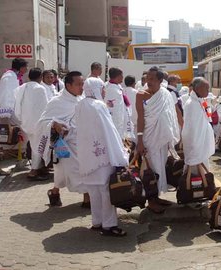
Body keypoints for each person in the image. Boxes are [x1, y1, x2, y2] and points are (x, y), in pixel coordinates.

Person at [75, 94, 129, 237]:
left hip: (88, 157)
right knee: (106, 192)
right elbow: (110, 131)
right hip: (103, 156)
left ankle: (97, 222)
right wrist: (120, 155)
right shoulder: (99, 105)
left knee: (94, 191)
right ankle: (109, 225)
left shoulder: (79, 105)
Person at [35, 71, 86, 207]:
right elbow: (42, 122)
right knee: (75, 170)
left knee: (77, 171)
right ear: (68, 85)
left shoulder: (83, 100)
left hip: (82, 143)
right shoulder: (56, 101)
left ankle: (54, 191)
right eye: (78, 84)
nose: (82, 87)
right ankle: (88, 198)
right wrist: (54, 124)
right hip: (64, 144)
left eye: (83, 84)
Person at [136, 66, 181, 213]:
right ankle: (151, 200)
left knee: (160, 167)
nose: (149, 82)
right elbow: (140, 119)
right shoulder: (141, 95)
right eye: (147, 78)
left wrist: (170, 138)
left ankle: (157, 197)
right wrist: (140, 140)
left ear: (160, 80)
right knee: (151, 168)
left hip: (162, 138)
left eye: (152, 79)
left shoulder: (165, 95)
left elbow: (170, 116)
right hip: (149, 137)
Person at [14, 68, 52, 180]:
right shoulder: (40, 89)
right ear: (40, 77)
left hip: (25, 123)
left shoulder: (22, 87)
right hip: (37, 124)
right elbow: (45, 107)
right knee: (39, 147)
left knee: (34, 146)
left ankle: (40, 167)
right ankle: (34, 171)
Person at [182, 77, 215, 169]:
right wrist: (196, 145)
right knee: (194, 172)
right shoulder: (192, 104)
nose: (208, 91)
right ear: (197, 89)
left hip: (201, 143)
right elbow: (192, 129)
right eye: (206, 89)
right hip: (196, 144)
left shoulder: (200, 101)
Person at [104, 67, 132, 140]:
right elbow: (115, 109)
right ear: (118, 76)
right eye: (122, 75)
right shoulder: (111, 89)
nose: (123, 77)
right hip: (115, 121)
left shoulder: (117, 86)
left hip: (119, 121)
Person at [124, 75, 139, 143]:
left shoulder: (121, 91)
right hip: (135, 122)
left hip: (124, 121)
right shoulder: (137, 93)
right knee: (134, 142)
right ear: (133, 83)